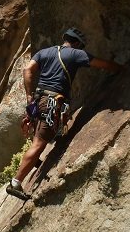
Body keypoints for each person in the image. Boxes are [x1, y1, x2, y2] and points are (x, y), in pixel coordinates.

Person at [6, 27, 122, 200]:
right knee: (39, 144)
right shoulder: (75, 54)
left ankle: (33, 161)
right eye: (80, 46)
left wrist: (30, 97)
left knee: (38, 130)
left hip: (39, 99)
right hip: (53, 101)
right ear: (76, 43)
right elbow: (103, 64)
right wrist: (122, 69)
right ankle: (16, 182)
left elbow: (27, 70)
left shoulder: (44, 52)